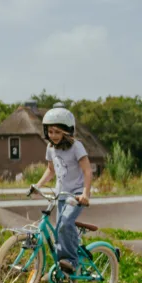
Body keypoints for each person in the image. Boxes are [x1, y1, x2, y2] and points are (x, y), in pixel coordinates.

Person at [34, 103, 93, 274]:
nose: (53, 136)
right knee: (59, 228)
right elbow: (51, 170)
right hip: (60, 194)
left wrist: (85, 194)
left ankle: (72, 262)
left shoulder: (77, 147)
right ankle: (61, 266)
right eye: (50, 132)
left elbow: (87, 171)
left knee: (65, 224)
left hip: (75, 195)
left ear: (67, 131)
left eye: (58, 132)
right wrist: (37, 186)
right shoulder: (50, 148)